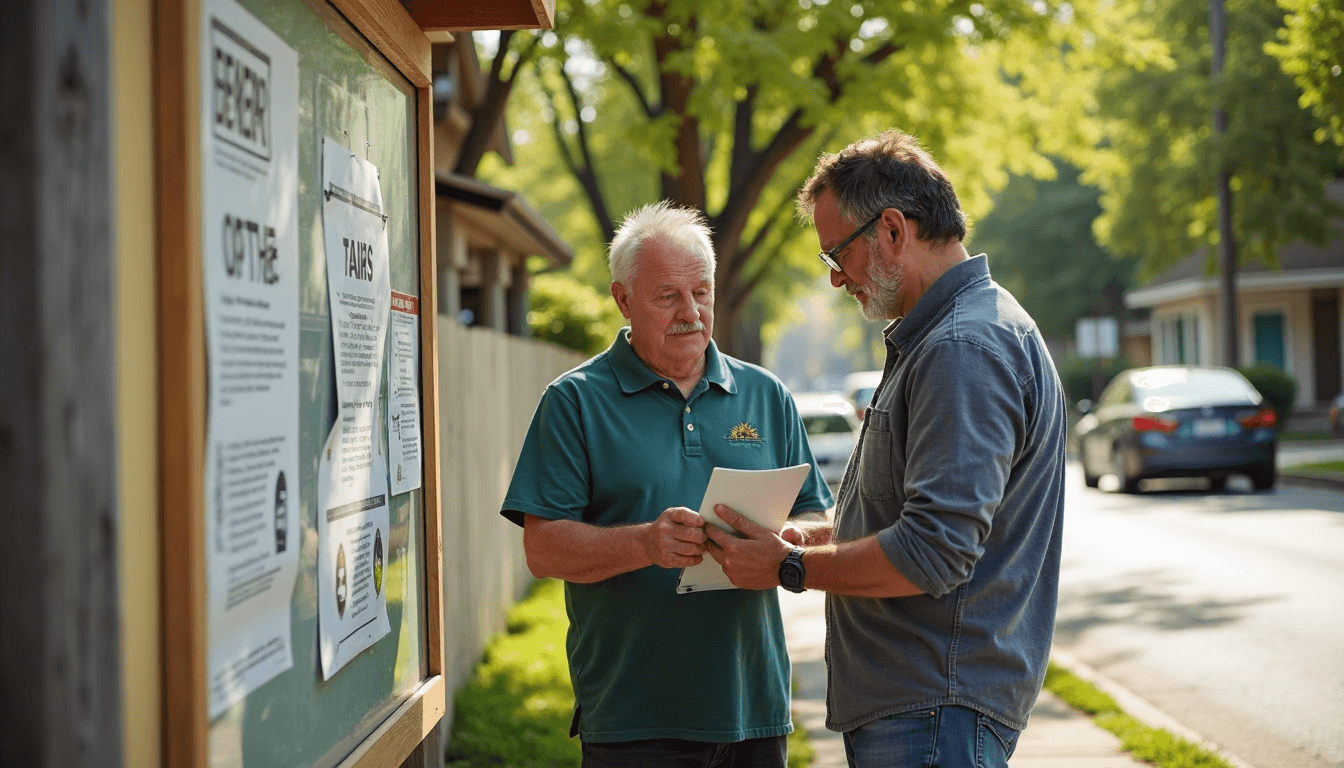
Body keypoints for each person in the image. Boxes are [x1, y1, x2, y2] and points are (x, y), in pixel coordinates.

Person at [705, 130, 1068, 768]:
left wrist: (788, 568)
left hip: (931, 711)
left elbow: (933, 552)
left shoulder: (963, 349)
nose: (837, 278)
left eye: (836, 255)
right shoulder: (959, 334)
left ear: (893, 230)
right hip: (927, 708)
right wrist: (794, 542)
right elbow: (901, 524)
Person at [500, 200, 834, 767]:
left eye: (700, 292)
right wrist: (644, 544)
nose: (691, 312)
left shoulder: (767, 395)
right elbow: (543, 548)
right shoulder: (574, 401)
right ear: (623, 299)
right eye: (667, 296)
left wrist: (789, 543)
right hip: (634, 720)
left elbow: (820, 520)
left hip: (753, 709)